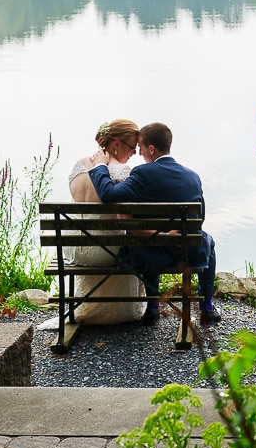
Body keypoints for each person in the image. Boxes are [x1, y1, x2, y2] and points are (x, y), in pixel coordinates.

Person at [85, 121, 221, 325]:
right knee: (207, 240)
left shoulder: (142, 174)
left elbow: (108, 194)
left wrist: (99, 167)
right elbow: (199, 220)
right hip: (188, 253)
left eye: (140, 148)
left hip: (149, 255)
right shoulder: (193, 177)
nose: (138, 153)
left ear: (151, 148)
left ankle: (153, 308)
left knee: (150, 241)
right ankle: (207, 307)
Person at [63, 119, 149, 324]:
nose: (135, 153)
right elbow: (127, 221)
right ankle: (120, 309)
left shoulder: (78, 166)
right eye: (132, 147)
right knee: (133, 244)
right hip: (106, 252)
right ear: (116, 144)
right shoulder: (122, 172)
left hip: (74, 249)